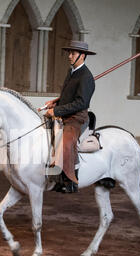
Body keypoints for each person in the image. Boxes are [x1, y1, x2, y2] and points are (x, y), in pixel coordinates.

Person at [44, 40, 96, 193]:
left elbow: (80, 103)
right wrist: (56, 103)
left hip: (77, 118)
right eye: (69, 53)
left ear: (82, 55)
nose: (69, 56)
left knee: (66, 141)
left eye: (73, 53)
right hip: (66, 113)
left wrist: (57, 111)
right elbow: (69, 96)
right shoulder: (72, 72)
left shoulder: (86, 77)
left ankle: (71, 181)